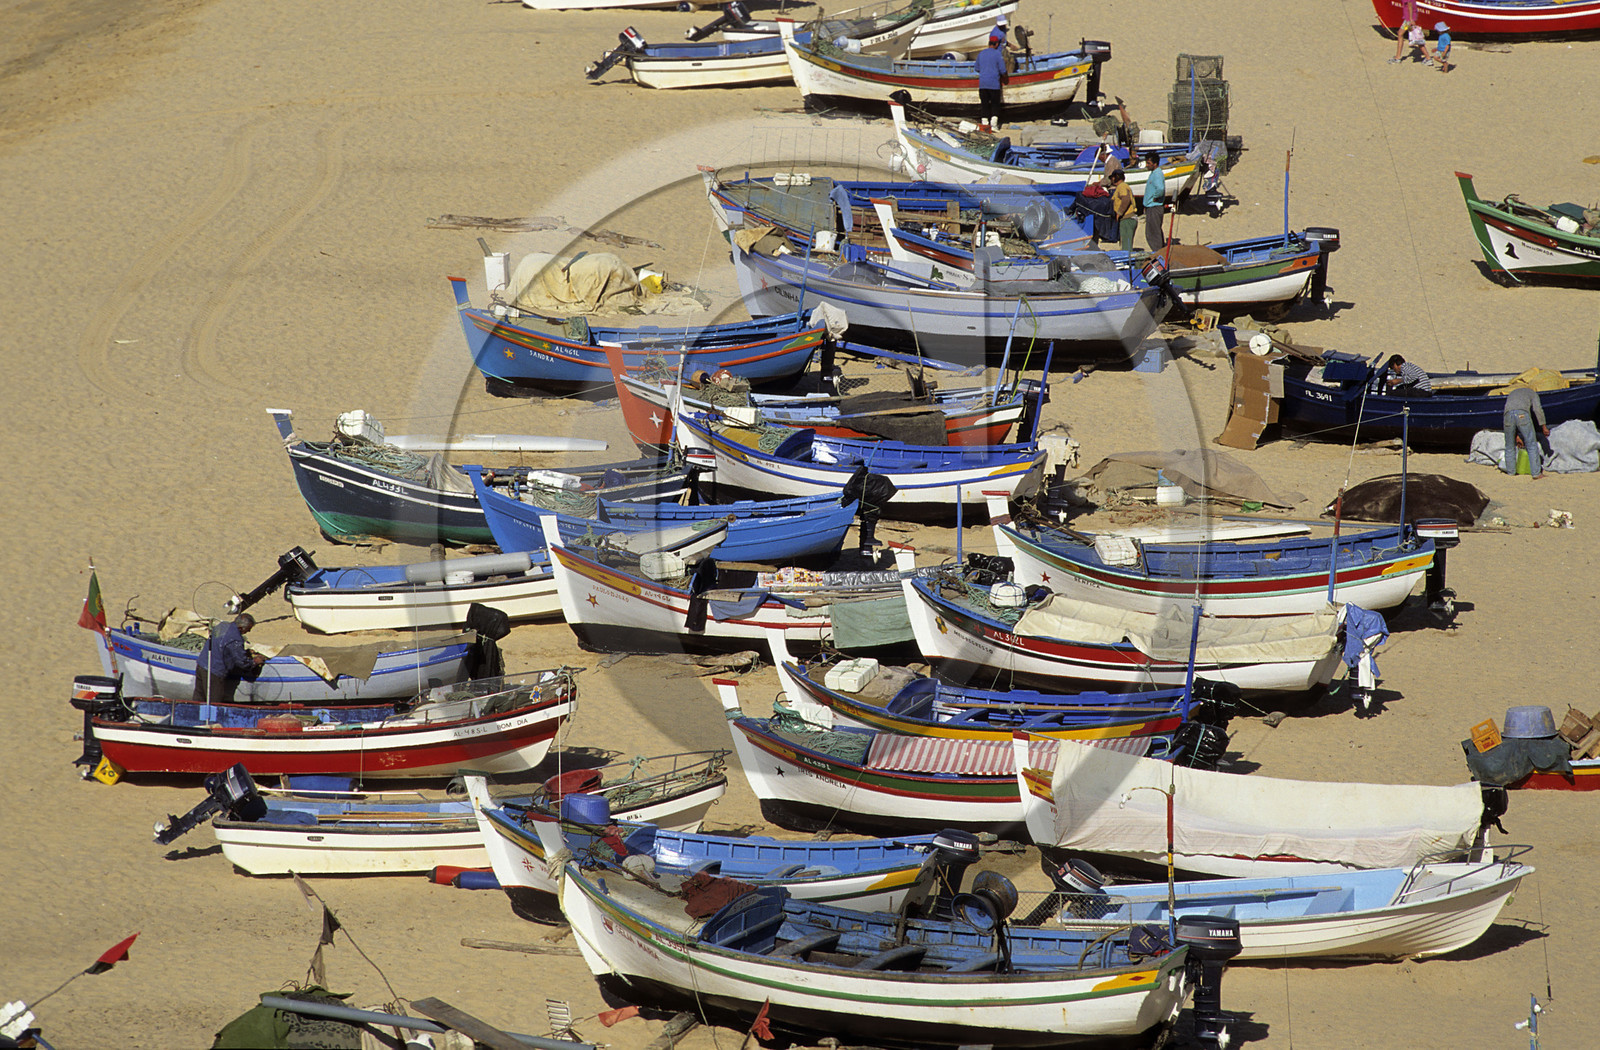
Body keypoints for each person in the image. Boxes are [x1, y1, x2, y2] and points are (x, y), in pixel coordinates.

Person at [191, 613, 266, 703]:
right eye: (248, 629)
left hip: (201, 665)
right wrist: (254, 661)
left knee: (198, 699)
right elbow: (242, 662)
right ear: (241, 628)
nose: (248, 631)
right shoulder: (235, 639)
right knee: (215, 703)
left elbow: (222, 647)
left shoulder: (222, 625)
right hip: (214, 672)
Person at [1503, 382, 1549, 479]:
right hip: (1522, 415)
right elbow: (1538, 410)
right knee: (1531, 444)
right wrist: (1544, 427)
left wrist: (1516, 436)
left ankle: (1511, 472)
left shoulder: (1513, 392)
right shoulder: (1533, 393)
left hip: (1507, 416)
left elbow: (1509, 410)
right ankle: (1536, 474)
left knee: (1509, 445)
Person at [975, 34, 1006, 132]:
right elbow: (1003, 70)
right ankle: (994, 125)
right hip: (994, 85)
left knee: (984, 104)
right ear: (996, 44)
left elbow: (977, 68)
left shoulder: (981, 54)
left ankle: (985, 126)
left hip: (983, 84)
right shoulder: (997, 54)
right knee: (995, 104)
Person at [1140, 153, 1167, 252]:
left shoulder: (1157, 174)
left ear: (1155, 164)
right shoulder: (1154, 173)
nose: (1147, 165)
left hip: (1154, 207)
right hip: (1151, 207)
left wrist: (1156, 197)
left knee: (1153, 233)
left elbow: (1160, 188)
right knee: (1154, 231)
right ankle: (1159, 251)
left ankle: (1158, 252)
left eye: (1148, 163)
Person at [1109, 169, 1137, 251]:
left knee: (1126, 246)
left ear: (1116, 177)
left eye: (1112, 177)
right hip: (1126, 219)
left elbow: (1126, 199)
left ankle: (1128, 262)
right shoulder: (1121, 187)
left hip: (1127, 219)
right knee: (1125, 243)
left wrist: (1119, 212)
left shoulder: (1122, 186)